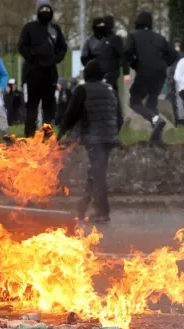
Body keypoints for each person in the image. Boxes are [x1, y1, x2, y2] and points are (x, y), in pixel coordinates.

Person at [57, 59, 119, 223]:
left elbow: (71, 115)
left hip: (95, 138)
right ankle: (81, 209)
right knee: (95, 173)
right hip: (110, 137)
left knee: (97, 175)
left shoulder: (82, 90)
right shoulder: (109, 89)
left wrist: (60, 134)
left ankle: (102, 212)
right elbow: (117, 114)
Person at [123, 11, 178, 144]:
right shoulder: (160, 37)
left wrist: (132, 66)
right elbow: (174, 55)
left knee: (134, 101)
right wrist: (163, 64)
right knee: (151, 102)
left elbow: (126, 53)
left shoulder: (133, 36)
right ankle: (156, 136)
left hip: (144, 71)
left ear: (137, 23)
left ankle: (155, 119)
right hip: (160, 73)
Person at [18, 0, 68, 137]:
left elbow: (63, 47)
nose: (45, 11)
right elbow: (22, 47)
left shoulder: (55, 29)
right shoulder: (29, 27)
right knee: (32, 107)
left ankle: (47, 136)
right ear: (37, 11)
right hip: (32, 74)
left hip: (50, 74)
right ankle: (29, 137)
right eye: (42, 9)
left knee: (49, 107)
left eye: (47, 9)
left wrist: (55, 59)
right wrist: (33, 58)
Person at [100, 15, 130, 130]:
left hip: (111, 75)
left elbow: (122, 57)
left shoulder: (115, 39)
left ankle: (118, 123)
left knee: (112, 98)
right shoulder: (103, 40)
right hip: (102, 76)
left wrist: (126, 73)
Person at [165, 38, 184, 125]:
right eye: (176, 45)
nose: (177, 46)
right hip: (171, 79)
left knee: (179, 99)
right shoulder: (170, 54)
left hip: (179, 80)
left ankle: (180, 119)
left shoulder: (182, 55)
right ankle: (175, 119)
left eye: (178, 44)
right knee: (171, 98)